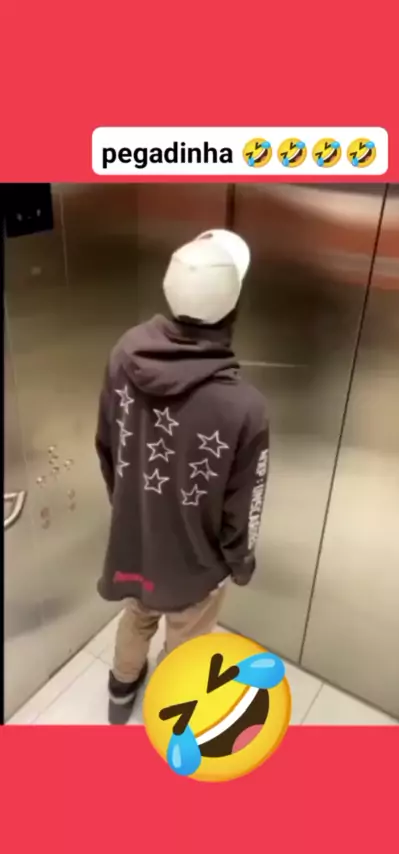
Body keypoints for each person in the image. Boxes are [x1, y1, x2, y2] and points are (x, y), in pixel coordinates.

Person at [95, 229, 270, 724]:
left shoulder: (124, 354)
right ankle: (171, 706)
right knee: (188, 635)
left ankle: (120, 693)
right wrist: (239, 562)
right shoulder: (244, 406)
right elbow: (245, 501)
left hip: (135, 542)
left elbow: (106, 444)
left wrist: (129, 512)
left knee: (137, 613)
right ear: (233, 306)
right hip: (197, 561)